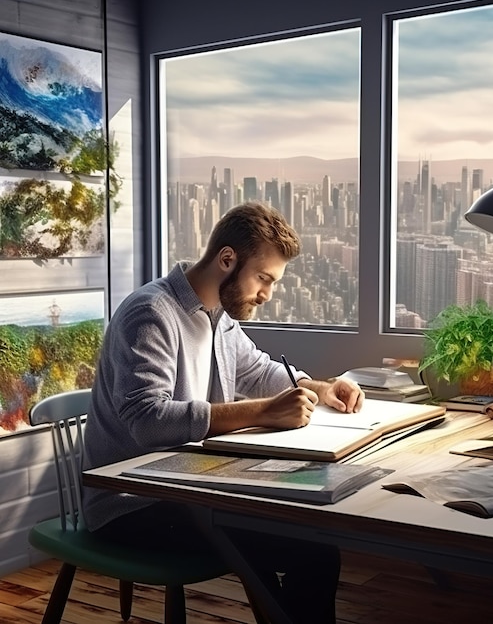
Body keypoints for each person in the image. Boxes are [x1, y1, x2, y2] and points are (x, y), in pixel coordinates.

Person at [82, 200, 364, 624]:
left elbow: (257, 370)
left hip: (189, 485)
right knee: (308, 550)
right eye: (263, 278)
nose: (267, 294)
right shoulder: (150, 314)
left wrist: (321, 388)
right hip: (131, 504)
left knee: (307, 542)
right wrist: (262, 413)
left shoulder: (220, 315)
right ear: (227, 259)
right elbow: (146, 420)